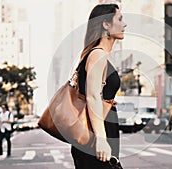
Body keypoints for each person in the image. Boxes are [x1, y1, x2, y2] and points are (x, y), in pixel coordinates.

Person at [70, 3, 126, 169]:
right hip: (95, 138)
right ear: (106, 24)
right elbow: (92, 96)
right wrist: (101, 139)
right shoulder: (97, 55)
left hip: (98, 134)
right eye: (120, 19)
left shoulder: (98, 55)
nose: (125, 24)